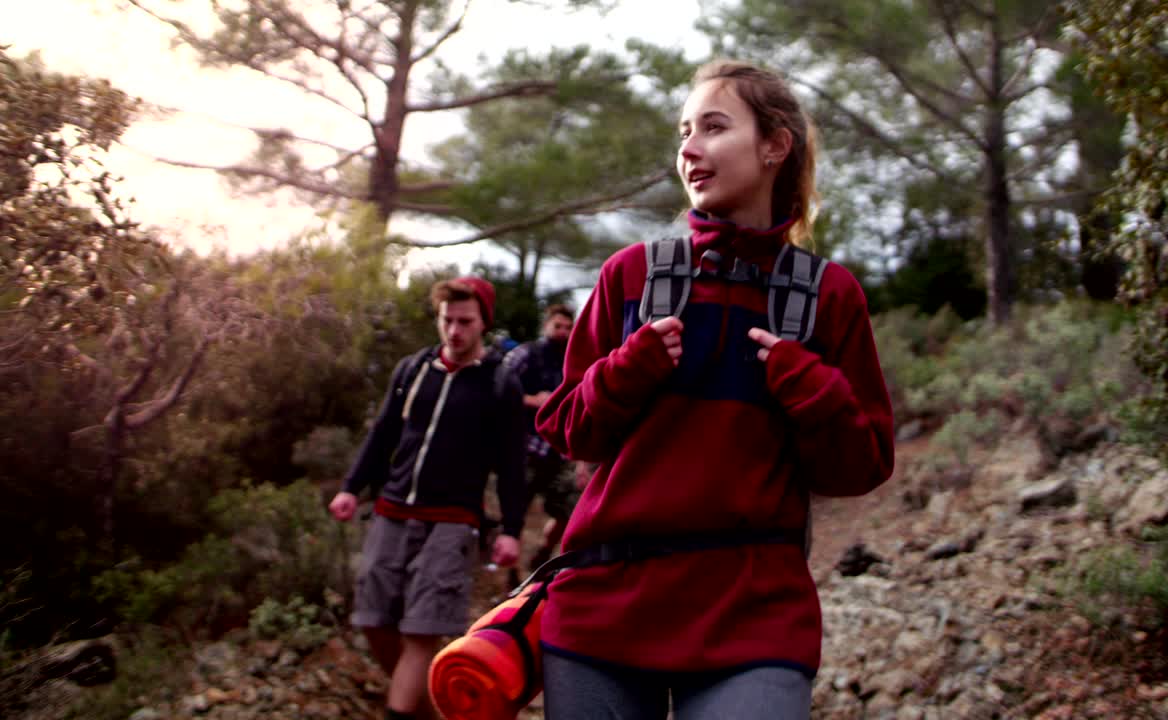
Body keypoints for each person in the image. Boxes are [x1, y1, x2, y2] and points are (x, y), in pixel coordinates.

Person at [533, 60, 895, 719]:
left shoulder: (829, 296)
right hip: (604, 609)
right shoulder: (630, 275)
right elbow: (566, 430)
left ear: (774, 146)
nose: (689, 150)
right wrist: (625, 371)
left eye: (714, 127)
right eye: (683, 133)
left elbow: (863, 464)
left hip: (755, 618)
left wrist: (812, 389)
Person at [329, 276, 526, 720]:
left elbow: (512, 465)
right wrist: (350, 488)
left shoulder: (500, 383)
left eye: (465, 322)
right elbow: (382, 436)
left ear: (483, 323)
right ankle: (423, 709)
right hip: (393, 511)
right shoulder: (412, 370)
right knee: (372, 619)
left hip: (453, 520)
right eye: (447, 320)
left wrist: (512, 529)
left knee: (421, 631)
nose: (454, 331)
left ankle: (399, 711)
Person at [502, 304, 586, 570]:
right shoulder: (527, 353)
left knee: (571, 510)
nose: (562, 332)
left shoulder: (574, 360)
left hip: (560, 452)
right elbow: (498, 387)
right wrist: (530, 400)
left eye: (568, 327)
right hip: (526, 448)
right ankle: (510, 573)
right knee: (514, 513)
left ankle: (542, 557)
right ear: (546, 325)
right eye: (557, 326)